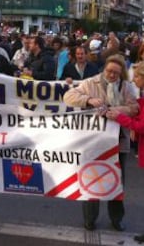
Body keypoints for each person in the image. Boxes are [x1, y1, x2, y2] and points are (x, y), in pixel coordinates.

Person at [63, 54, 139, 231]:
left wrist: (114, 111)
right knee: (92, 179)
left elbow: (134, 108)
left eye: (116, 73)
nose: (112, 75)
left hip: (118, 143)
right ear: (104, 69)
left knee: (117, 182)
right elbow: (69, 97)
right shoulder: (91, 82)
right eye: (109, 71)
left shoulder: (126, 87)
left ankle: (116, 219)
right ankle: (90, 219)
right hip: (95, 143)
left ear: (121, 74)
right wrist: (88, 100)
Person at [105, 61, 144, 242]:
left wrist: (119, 116)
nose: (134, 79)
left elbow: (140, 122)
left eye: (137, 76)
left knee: (119, 181)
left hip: (123, 142)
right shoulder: (140, 95)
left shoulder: (131, 90)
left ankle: (119, 219)